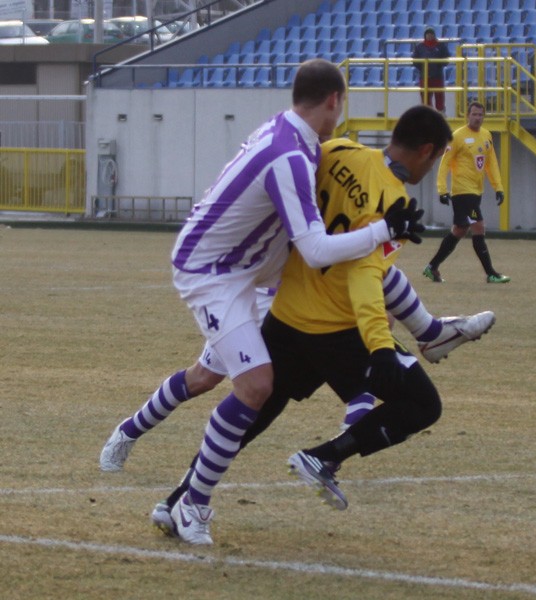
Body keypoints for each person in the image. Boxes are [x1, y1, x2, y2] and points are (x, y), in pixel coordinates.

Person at [138, 59, 426, 546]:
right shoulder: (291, 154)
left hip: (250, 270)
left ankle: (181, 501)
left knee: (255, 391)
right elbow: (315, 250)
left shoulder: (295, 137)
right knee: (252, 386)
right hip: (219, 273)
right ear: (333, 100)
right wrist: (383, 229)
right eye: (342, 104)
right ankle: (191, 503)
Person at [99, 274, 496, 472]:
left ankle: (336, 448)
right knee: (203, 378)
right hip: (254, 301)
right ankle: (128, 433)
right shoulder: (286, 184)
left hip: (305, 305)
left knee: (370, 333)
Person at [423, 101, 510, 284]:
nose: (477, 118)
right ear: (467, 116)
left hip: (476, 192)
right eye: (474, 114)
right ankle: (491, 273)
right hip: (462, 192)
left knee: (459, 230)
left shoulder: (486, 135)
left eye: (480, 115)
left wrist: (498, 187)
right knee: (478, 227)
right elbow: (444, 164)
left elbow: (491, 163)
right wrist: (442, 190)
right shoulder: (457, 137)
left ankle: (432, 267)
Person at [411, 26, 450, 114]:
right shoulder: (419, 47)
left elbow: (446, 59)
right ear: (425, 35)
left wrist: (438, 65)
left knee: (439, 97)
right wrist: (423, 68)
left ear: (434, 35)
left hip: (437, 76)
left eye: (431, 33)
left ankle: (440, 115)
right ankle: (427, 115)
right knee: (425, 98)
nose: (429, 35)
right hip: (424, 77)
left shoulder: (441, 46)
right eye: (427, 34)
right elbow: (415, 60)